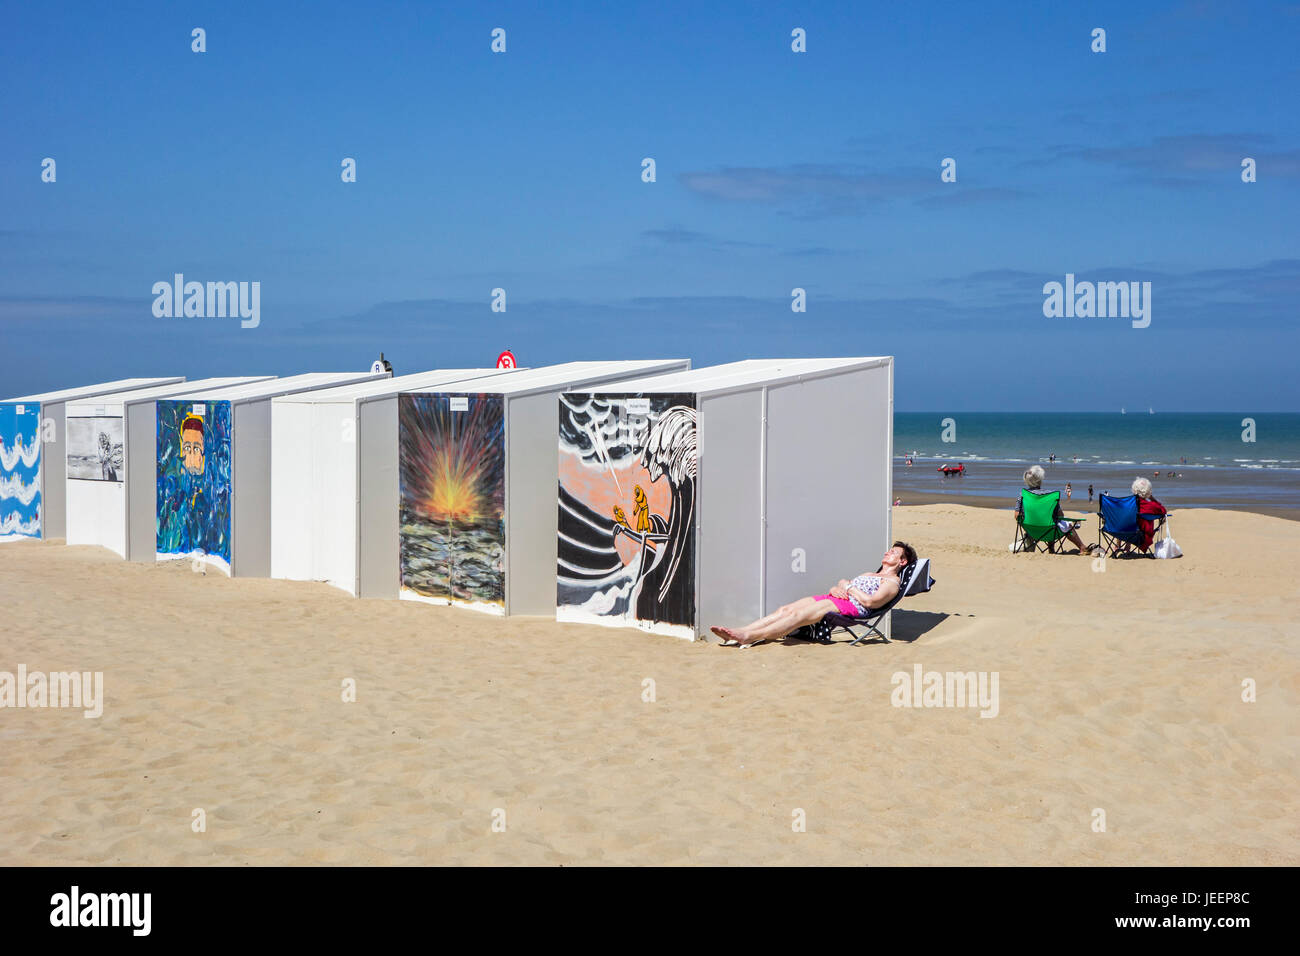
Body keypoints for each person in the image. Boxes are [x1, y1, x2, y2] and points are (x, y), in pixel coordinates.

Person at [711, 542, 917, 647]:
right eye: (889, 550)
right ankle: (741, 631)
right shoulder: (869, 573)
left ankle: (748, 637)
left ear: (902, 562)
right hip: (837, 599)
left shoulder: (892, 583)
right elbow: (843, 584)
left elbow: (871, 602)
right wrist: (838, 587)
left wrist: (848, 587)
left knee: (796, 617)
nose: (887, 552)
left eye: (893, 552)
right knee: (786, 609)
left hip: (852, 608)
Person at [1015, 465, 1095, 555]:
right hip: (1049, 531)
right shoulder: (1050, 495)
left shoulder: (1022, 495)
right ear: (1040, 480)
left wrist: (1029, 523)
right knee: (1062, 523)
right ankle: (1082, 547)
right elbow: (1060, 515)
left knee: (1051, 521)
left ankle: (1052, 549)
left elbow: (1017, 516)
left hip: (1031, 531)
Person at [1117, 476, 1167, 555]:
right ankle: (1127, 543)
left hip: (1121, 532)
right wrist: (1151, 498)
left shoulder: (1127, 504)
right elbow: (1163, 510)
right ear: (1148, 491)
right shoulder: (1150, 506)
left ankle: (1119, 546)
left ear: (1134, 489)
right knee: (1137, 523)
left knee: (1125, 519)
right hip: (1141, 536)